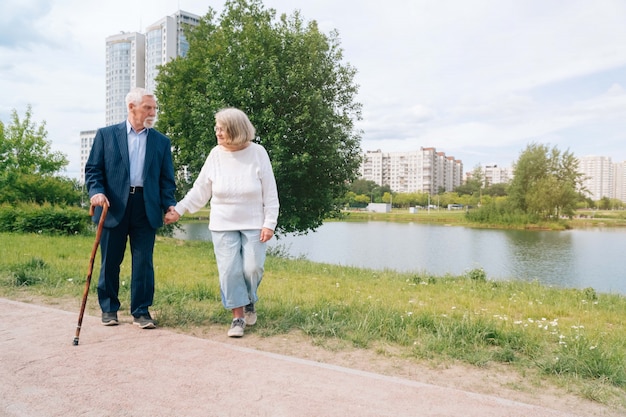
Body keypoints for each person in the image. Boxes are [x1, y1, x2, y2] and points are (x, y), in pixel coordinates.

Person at [165, 107, 279, 337]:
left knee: (252, 267)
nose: (217, 133)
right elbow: (200, 189)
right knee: (229, 271)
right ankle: (237, 317)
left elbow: (270, 192)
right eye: (216, 128)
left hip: (254, 222)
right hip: (222, 223)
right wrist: (179, 209)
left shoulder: (258, 153)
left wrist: (270, 223)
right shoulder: (215, 154)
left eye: (222, 129)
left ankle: (249, 300)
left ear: (236, 131)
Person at [85, 87, 177, 329]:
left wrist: (169, 205)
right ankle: (109, 309)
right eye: (148, 107)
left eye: (154, 108)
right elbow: (93, 169)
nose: (152, 112)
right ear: (131, 107)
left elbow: (167, 179)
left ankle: (141, 311)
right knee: (111, 260)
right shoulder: (106, 135)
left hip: (146, 206)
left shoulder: (161, 141)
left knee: (143, 261)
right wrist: (96, 192)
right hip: (113, 205)